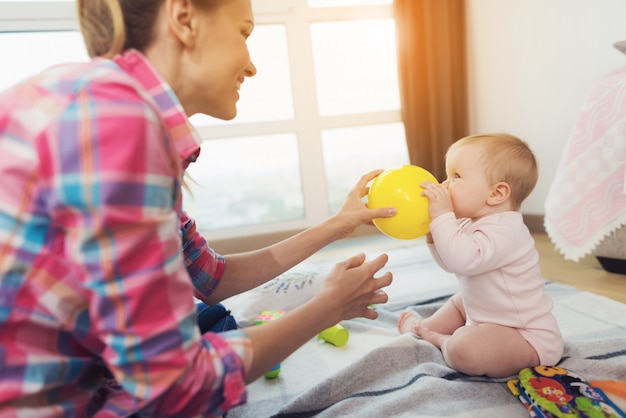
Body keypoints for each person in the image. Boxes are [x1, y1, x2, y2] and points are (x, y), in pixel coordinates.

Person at [0, 0, 397, 416]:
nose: (252, 66)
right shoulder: (119, 121)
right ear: (185, 19)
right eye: (244, 33)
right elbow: (178, 387)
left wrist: (338, 225)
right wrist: (329, 306)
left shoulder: (87, 95)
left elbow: (211, 277)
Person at [397, 133, 563, 378]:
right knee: (459, 301)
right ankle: (424, 328)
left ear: (496, 194)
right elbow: (452, 264)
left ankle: (442, 340)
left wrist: (442, 217)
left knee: (465, 350)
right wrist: (435, 238)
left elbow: (461, 260)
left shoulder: (506, 230)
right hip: (484, 315)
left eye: (456, 176)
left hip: (524, 335)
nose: (444, 185)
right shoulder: (469, 222)